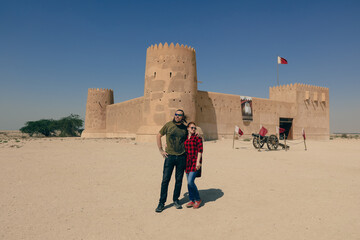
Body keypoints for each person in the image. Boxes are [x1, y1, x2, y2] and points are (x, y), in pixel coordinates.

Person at [155, 109, 188, 213]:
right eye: (176, 114)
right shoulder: (168, 125)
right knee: (165, 180)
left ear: (182, 117)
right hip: (170, 157)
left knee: (178, 180)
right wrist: (161, 150)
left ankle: (176, 200)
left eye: (179, 115)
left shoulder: (184, 128)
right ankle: (161, 203)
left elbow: (188, 140)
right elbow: (159, 135)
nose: (177, 116)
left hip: (182, 157)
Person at [184, 122, 203, 209]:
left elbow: (200, 150)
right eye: (192, 128)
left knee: (190, 182)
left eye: (195, 128)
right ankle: (192, 199)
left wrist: (198, 162)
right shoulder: (185, 137)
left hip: (194, 161)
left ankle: (198, 199)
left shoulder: (197, 137)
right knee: (189, 183)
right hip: (187, 162)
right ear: (188, 128)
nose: (194, 129)